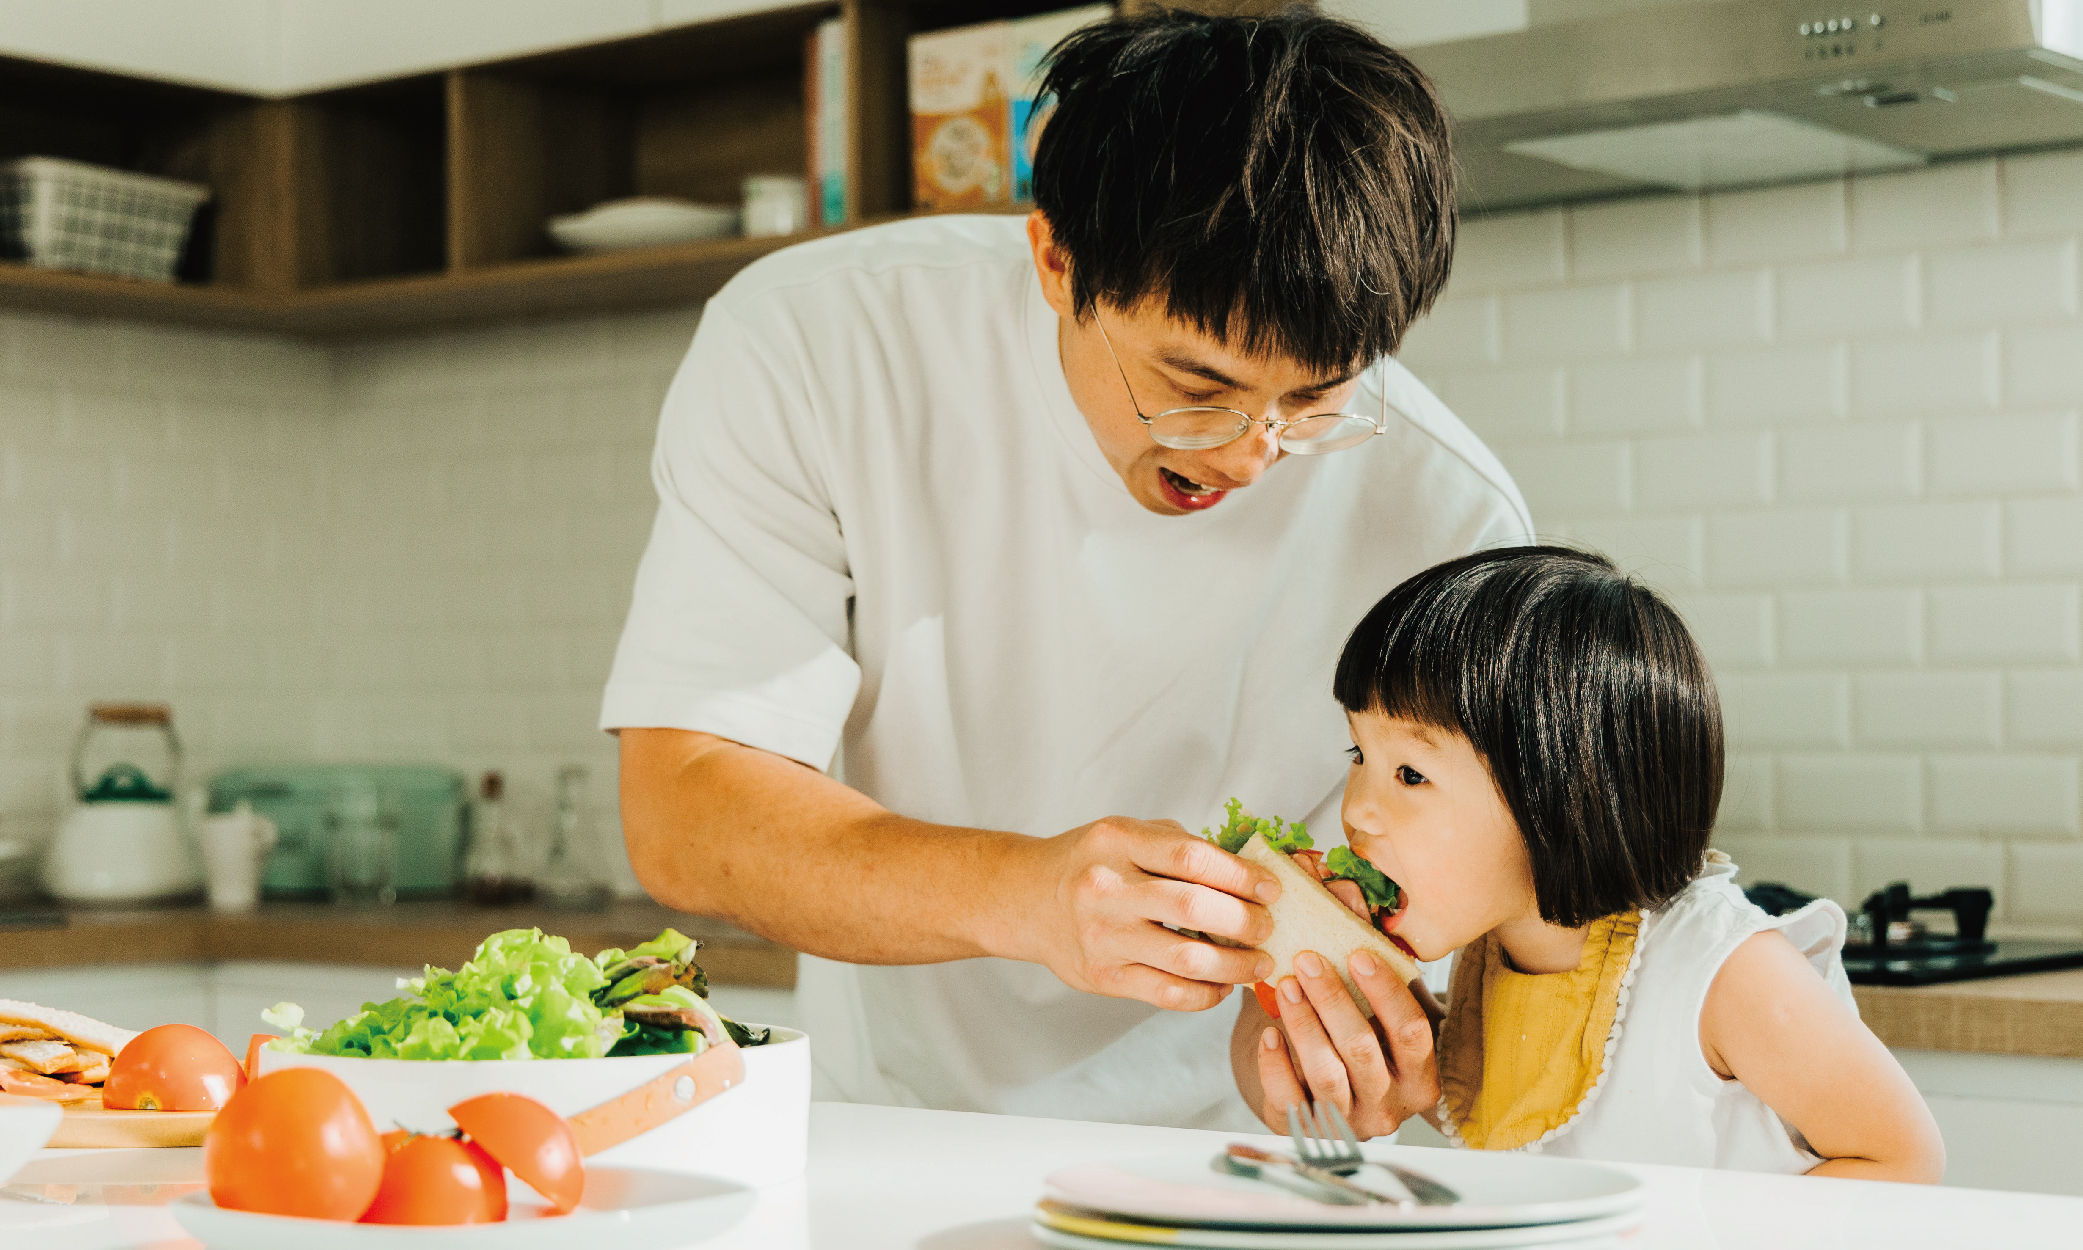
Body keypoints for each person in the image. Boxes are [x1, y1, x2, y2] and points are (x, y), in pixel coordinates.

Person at [603, 8, 1531, 1130]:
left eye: (1313, 398)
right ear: (1054, 258)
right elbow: (684, 806)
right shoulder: (819, 345)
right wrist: (1030, 893)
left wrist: (1329, 1018)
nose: (1249, 451)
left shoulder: (1452, 515)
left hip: (1246, 1161)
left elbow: (1466, 901)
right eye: (1194, 386)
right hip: (891, 1127)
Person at [1237, 547, 1945, 1180]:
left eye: (1411, 774)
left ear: (1560, 794)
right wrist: (1276, 974)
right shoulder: (1490, 960)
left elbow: (1902, 1157)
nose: (1356, 808)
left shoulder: (1726, 974)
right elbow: (1513, 1136)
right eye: (1360, 754)